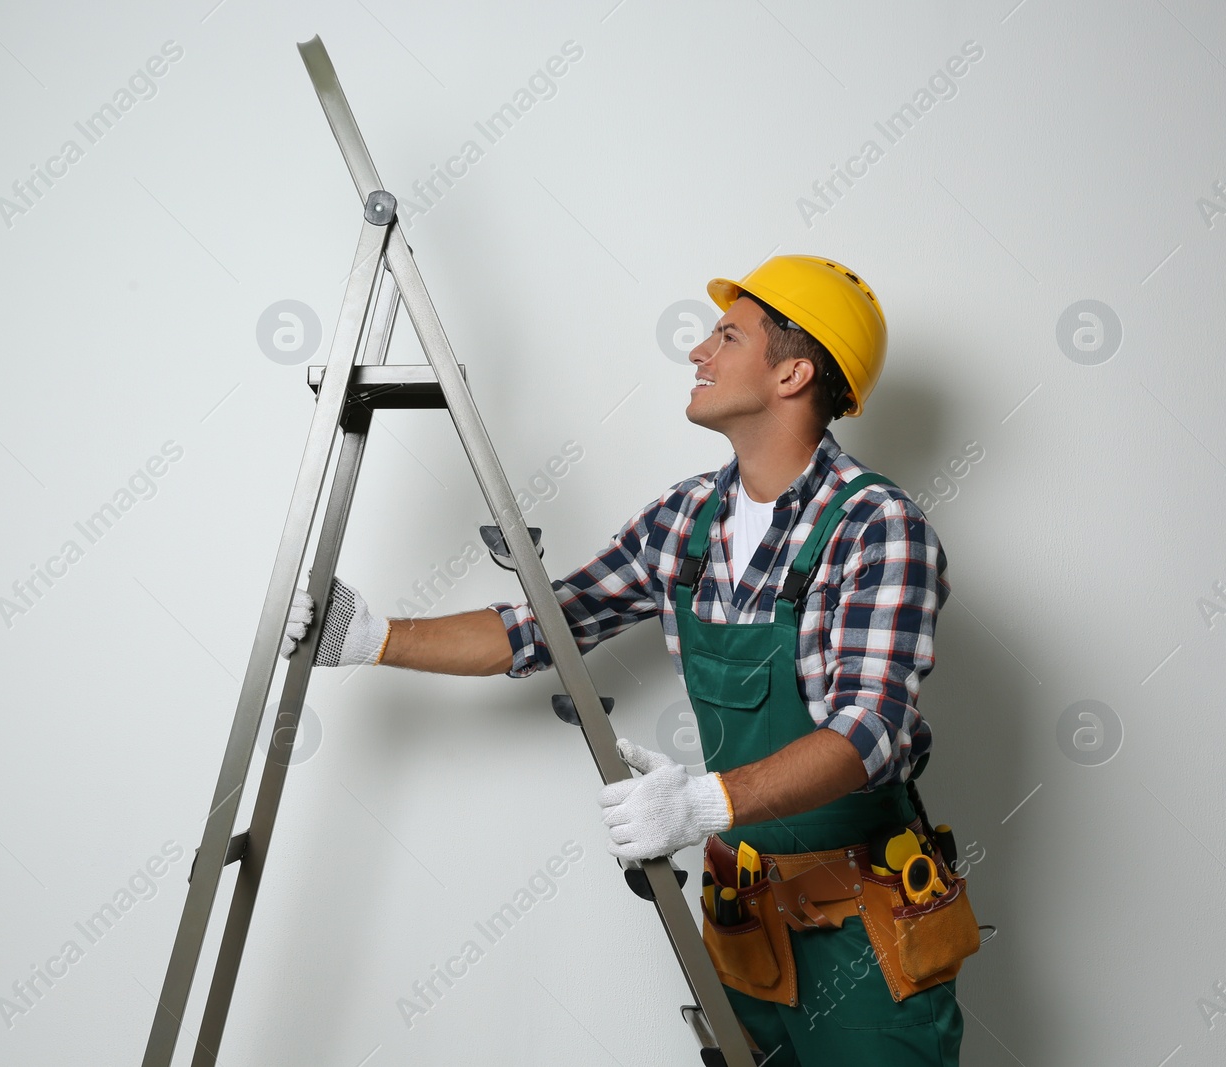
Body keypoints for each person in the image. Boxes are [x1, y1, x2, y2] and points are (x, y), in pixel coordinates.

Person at [281, 255, 972, 1064]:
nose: (698, 352)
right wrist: (374, 637)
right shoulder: (687, 518)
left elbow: (874, 728)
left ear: (793, 371)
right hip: (752, 930)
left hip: (865, 936)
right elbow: (550, 625)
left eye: (727, 334)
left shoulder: (877, 526)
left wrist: (703, 802)